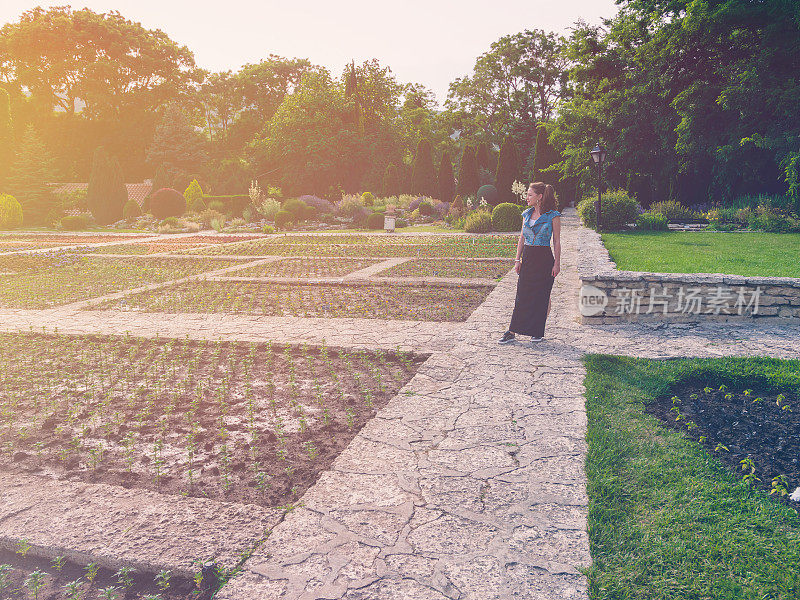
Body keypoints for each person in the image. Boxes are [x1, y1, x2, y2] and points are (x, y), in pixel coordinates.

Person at [499, 182, 561, 344]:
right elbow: (522, 238)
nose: (526, 197)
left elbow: (556, 242)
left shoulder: (553, 216)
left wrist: (557, 263)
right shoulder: (526, 214)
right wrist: (517, 259)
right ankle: (512, 331)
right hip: (528, 257)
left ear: (539, 197)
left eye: (530, 195)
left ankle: (537, 331)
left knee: (542, 295)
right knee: (522, 295)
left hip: (544, 258)